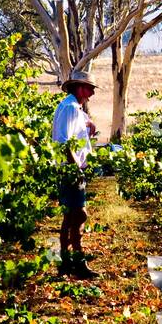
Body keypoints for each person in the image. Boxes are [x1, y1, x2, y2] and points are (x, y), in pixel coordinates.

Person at [52, 69, 100, 280]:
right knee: (79, 215)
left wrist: (90, 124)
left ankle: (66, 263)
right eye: (89, 88)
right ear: (79, 87)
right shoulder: (70, 108)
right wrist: (75, 169)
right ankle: (77, 263)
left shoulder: (74, 108)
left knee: (71, 216)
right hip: (71, 170)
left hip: (72, 169)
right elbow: (63, 141)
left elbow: (82, 123)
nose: (91, 93)